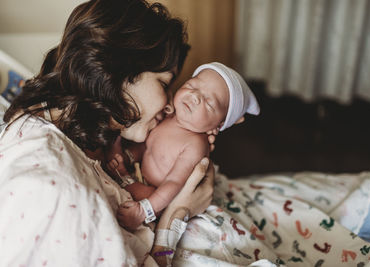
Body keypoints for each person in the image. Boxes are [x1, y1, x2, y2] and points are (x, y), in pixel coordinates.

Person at [0, 0, 214, 266]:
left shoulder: (64, 124)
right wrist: (176, 214)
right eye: (164, 83)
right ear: (119, 72)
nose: (170, 104)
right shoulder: (56, 189)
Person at [105, 62, 260, 231]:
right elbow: (149, 146)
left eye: (209, 103)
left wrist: (146, 209)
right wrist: (129, 156)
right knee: (140, 147)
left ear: (219, 124)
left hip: (160, 194)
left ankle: (124, 177)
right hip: (142, 169)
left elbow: (174, 182)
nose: (195, 96)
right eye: (191, 85)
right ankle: (123, 162)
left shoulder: (195, 145)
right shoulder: (169, 116)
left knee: (146, 194)